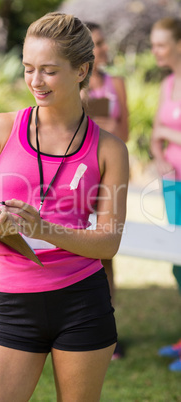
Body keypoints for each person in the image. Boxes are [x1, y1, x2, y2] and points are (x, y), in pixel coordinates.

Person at [0, 12, 129, 400]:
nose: (35, 81)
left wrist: (43, 228)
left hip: (84, 305)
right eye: (29, 68)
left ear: (81, 69)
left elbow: (108, 243)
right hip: (15, 308)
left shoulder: (110, 149)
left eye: (48, 70)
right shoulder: (0, 128)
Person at [82, 22, 129, 360]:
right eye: (94, 43)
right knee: (82, 252)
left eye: (102, 42)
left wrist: (103, 131)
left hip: (110, 176)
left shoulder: (117, 84)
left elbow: (122, 128)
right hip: (82, 177)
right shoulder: (76, 88)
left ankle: (107, 331)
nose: (101, 49)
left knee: (107, 253)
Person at [150, 17, 181, 373]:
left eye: (160, 44)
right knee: (179, 264)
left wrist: (166, 133)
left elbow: (164, 129)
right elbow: (156, 135)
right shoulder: (167, 84)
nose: (154, 50)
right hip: (172, 185)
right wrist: (160, 157)